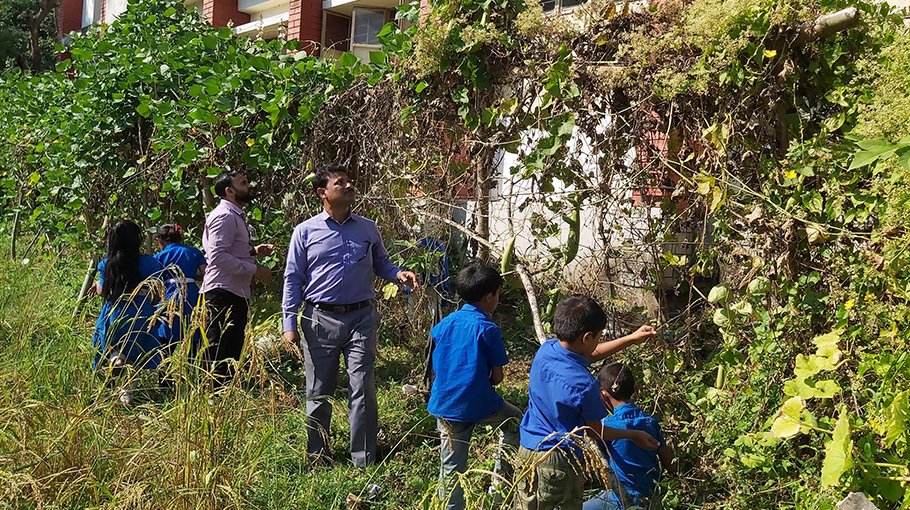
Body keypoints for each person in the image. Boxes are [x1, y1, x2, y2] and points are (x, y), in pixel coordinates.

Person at [281, 163, 418, 468]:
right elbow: (293, 278)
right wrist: (289, 322)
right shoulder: (304, 232)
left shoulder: (367, 227)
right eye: (340, 182)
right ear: (323, 193)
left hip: (361, 317)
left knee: (363, 386)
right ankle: (318, 456)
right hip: (319, 319)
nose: (349, 185)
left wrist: (398, 274)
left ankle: (364, 459)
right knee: (318, 391)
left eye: (349, 181)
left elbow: (381, 263)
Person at [516, 295, 659, 510]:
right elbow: (593, 431)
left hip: (527, 449)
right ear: (587, 337)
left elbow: (588, 355)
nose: (597, 343)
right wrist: (632, 434)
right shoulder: (584, 385)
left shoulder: (547, 350)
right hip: (557, 461)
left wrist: (630, 339)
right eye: (598, 337)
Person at [427, 261, 520, 510]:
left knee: (451, 468)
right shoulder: (488, 328)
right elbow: (498, 377)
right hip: (479, 403)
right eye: (498, 293)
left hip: (445, 406)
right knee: (514, 422)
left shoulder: (443, 324)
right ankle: (500, 490)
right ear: (490, 297)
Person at [201, 171, 273, 386]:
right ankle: (213, 396)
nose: (249, 185)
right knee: (219, 346)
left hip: (233, 290)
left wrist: (253, 251)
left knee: (232, 344)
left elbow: (229, 251)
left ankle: (226, 395)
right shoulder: (225, 216)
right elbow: (216, 256)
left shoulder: (234, 215)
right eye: (243, 183)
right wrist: (255, 270)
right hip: (223, 291)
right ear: (229, 191)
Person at [583, 362, 675, 510]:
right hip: (653, 495)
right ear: (634, 389)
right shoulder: (650, 421)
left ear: (603, 395)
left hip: (622, 498)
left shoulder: (605, 427)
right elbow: (669, 462)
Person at [91, 220, 165, 403]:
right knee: (134, 350)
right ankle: (127, 393)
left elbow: (102, 291)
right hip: (140, 311)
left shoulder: (106, 264)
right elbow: (157, 291)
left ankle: (116, 361)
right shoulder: (150, 263)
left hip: (114, 310)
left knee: (113, 345)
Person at [153, 224, 207, 352]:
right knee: (192, 332)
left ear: (160, 240)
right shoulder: (194, 252)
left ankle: (164, 369)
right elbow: (207, 274)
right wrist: (193, 277)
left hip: (170, 294)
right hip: (192, 295)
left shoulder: (160, 256)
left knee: (166, 334)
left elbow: (155, 280)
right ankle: (192, 367)